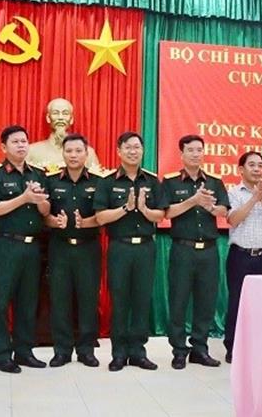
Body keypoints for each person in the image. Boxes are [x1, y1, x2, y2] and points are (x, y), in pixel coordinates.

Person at [94, 132, 165, 372]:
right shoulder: (107, 182)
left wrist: (144, 209)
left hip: (145, 247)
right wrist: (126, 208)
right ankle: (118, 354)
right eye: (128, 147)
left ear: (143, 151)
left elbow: (161, 215)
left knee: (142, 300)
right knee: (120, 301)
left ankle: (138, 352)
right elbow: (100, 217)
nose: (133, 151)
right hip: (120, 248)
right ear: (119, 151)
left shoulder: (152, 181)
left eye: (137, 147)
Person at [160, 135, 230, 370]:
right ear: (182, 154)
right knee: (179, 300)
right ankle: (179, 351)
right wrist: (193, 200)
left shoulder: (214, 182)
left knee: (206, 302)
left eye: (199, 150)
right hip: (183, 249)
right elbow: (167, 213)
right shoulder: (170, 182)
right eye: (191, 150)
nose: (196, 154)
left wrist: (210, 206)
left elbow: (224, 210)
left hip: (209, 251)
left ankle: (200, 348)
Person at [0, 125, 50, 373]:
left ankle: (24, 351)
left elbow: (46, 210)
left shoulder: (38, 174)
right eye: (15, 142)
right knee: (1, 302)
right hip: (6, 245)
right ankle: (2, 355)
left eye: (24, 141)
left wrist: (41, 201)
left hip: (32, 247)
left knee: (28, 301)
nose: (21, 145)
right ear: (4, 147)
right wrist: (24, 198)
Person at [44, 134, 104, 368]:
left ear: (86, 153)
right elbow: (43, 215)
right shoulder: (51, 180)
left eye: (78, 151)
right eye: (69, 151)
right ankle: (62, 350)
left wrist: (86, 223)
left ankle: (86, 350)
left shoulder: (99, 182)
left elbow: (103, 216)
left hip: (88, 248)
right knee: (60, 299)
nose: (73, 155)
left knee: (88, 299)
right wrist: (53, 221)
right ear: (63, 153)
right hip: (60, 248)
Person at [224, 151, 262, 363]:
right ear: (241, 169)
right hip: (240, 256)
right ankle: (233, 347)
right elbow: (233, 219)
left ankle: (260, 347)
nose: (257, 169)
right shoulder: (233, 192)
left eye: (260, 165)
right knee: (237, 302)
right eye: (252, 165)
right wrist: (253, 200)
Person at [27, 98, 101, 171]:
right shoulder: (32, 151)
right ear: (48, 118)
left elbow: (96, 177)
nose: (60, 117)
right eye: (55, 113)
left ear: (71, 119)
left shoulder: (88, 153)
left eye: (65, 113)